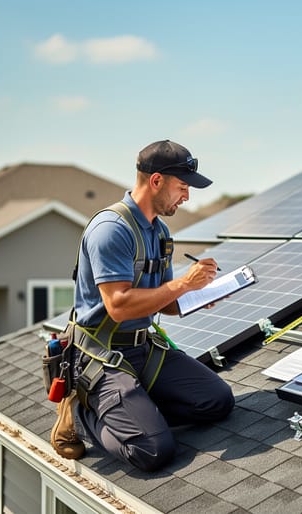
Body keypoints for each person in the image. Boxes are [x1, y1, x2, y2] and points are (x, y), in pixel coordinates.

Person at [51, 139, 234, 471]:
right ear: (156, 181)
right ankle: (80, 412)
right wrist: (183, 284)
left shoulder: (159, 233)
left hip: (142, 349)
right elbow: (119, 306)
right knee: (152, 451)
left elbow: (165, 303)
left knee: (218, 402)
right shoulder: (111, 230)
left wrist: (200, 295)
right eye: (183, 187)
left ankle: (137, 412)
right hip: (100, 354)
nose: (187, 196)